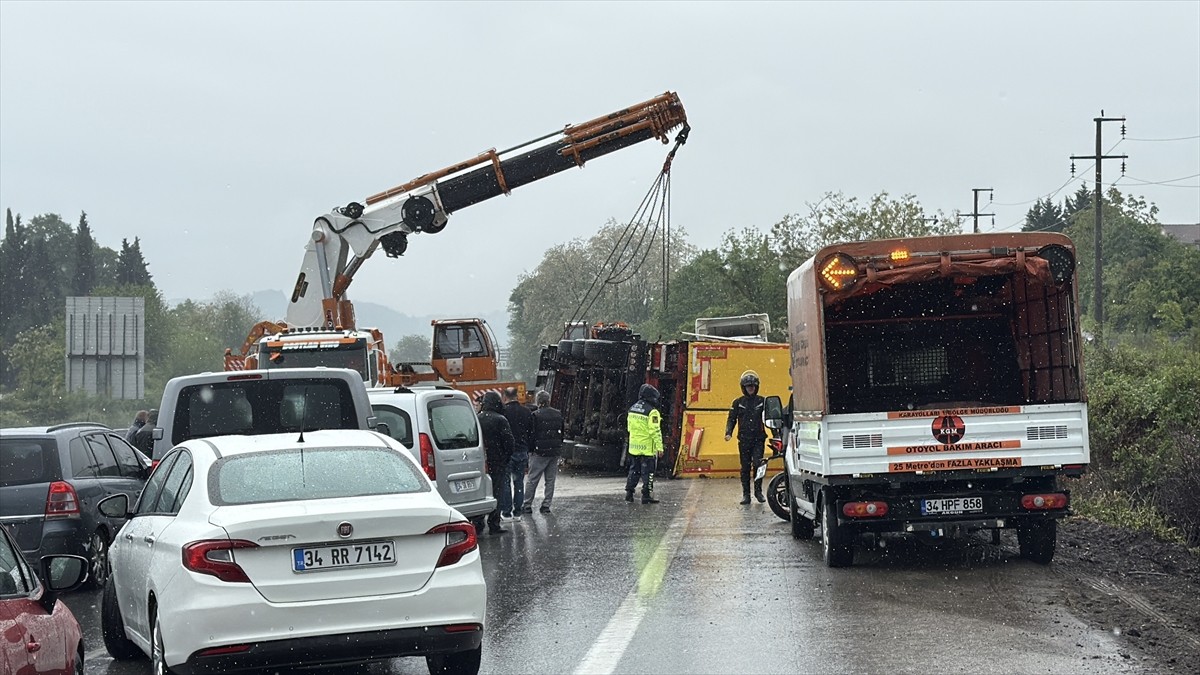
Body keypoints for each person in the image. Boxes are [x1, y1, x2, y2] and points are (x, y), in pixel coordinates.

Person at [726, 370, 767, 505]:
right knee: (745, 467)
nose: (751, 388)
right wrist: (728, 432)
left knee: (758, 464)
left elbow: (769, 418)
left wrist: (777, 434)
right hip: (744, 439)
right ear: (743, 388)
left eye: (753, 386)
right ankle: (746, 494)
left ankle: (758, 490)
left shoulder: (762, 401)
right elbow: (731, 419)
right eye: (748, 386)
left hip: (758, 439)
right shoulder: (738, 402)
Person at [477, 392, 515, 535]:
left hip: (481, 462)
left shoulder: (477, 418)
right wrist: (505, 457)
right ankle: (494, 523)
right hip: (498, 462)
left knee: (481, 492)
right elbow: (509, 442)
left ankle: (478, 522)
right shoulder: (500, 419)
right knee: (496, 492)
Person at [524, 390, 564, 514]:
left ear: (538, 401)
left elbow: (531, 434)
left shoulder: (535, 415)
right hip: (554, 452)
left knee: (532, 479)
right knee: (550, 480)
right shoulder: (558, 414)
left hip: (539, 452)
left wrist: (530, 450)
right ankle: (546, 505)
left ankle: (527, 505)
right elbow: (561, 432)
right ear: (548, 400)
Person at [501, 386, 535, 522]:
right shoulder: (526, 412)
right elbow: (531, 432)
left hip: (507, 452)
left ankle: (507, 512)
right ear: (517, 396)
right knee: (519, 482)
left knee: (506, 482)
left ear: (505, 397)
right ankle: (518, 512)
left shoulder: (503, 412)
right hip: (522, 451)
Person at [625, 384, 663, 504]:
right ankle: (646, 495)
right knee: (648, 473)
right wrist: (659, 447)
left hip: (634, 447)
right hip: (647, 448)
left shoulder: (632, 409)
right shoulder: (652, 412)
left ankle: (629, 493)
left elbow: (629, 428)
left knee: (634, 470)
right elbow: (655, 431)